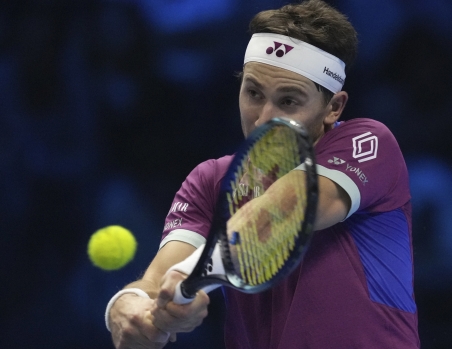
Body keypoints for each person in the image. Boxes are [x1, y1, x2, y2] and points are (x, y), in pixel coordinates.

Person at [106, 1, 419, 348]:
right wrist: (130, 306)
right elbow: (157, 282)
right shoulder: (209, 180)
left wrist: (188, 276)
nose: (263, 118)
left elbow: (283, 213)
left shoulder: (369, 142)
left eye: (288, 101)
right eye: (254, 93)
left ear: (333, 107)